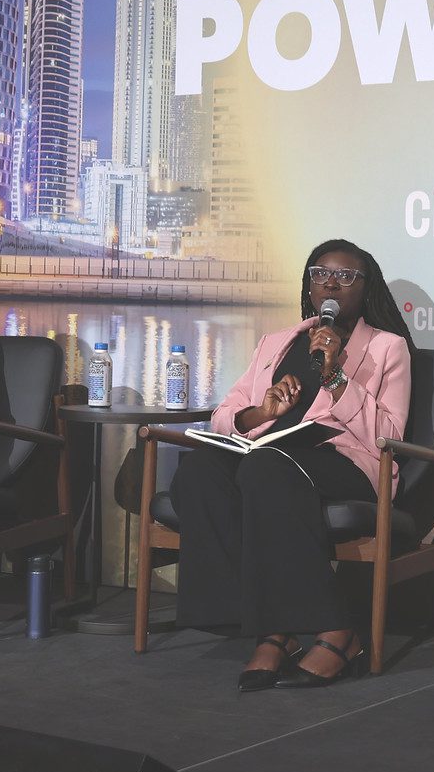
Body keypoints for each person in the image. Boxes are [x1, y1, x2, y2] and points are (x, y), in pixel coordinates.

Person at [167, 239, 413, 690]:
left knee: (267, 468)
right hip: (269, 455)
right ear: (309, 284)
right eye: (320, 274)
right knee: (199, 472)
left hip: (345, 464)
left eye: (345, 276)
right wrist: (261, 413)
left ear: (365, 288)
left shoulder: (387, 347)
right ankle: (266, 626)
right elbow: (225, 413)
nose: (331, 283)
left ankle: (334, 629)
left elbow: (389, 435)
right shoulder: (276, 342)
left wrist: (336, 377)